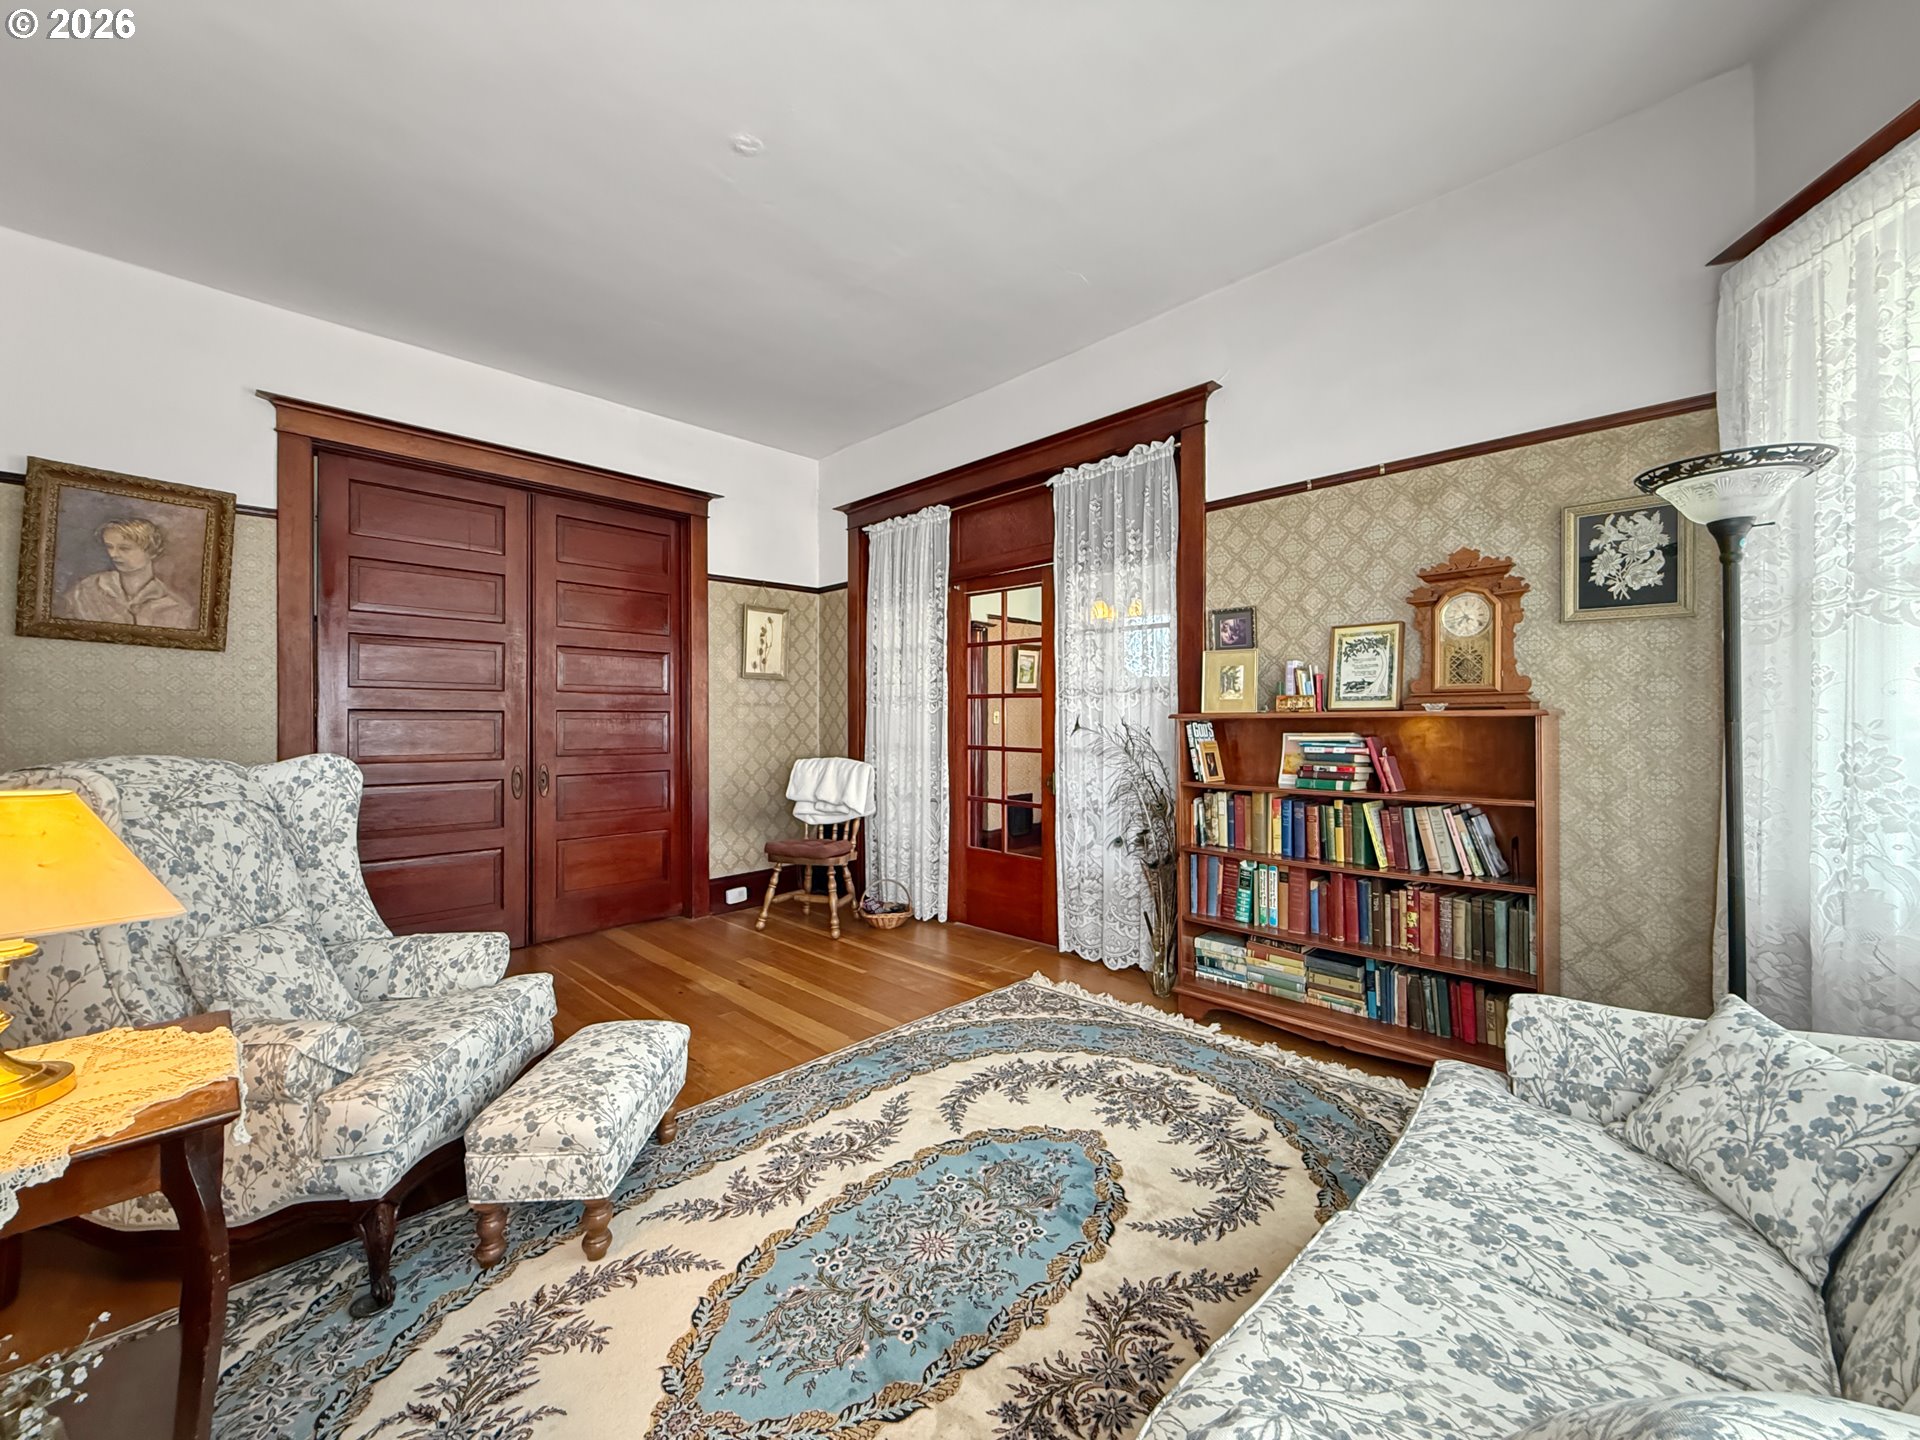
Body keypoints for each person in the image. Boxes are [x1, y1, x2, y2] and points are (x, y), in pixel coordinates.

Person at [57, 517, 196, 628]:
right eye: (109, 547)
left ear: (152, 551)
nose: (113, 555)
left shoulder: (175, 607)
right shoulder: (85, 590)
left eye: (124, 548)